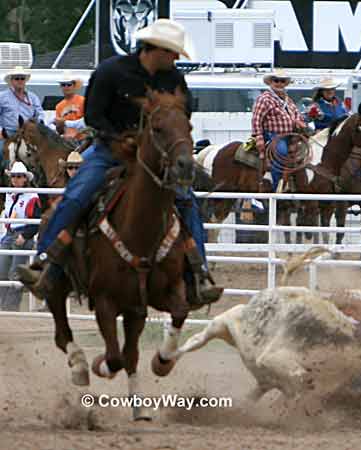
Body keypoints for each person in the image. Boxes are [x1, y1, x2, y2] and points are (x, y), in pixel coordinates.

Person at [16, 19, 222, 307]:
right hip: (110, 150)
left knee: (187, 200)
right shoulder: (112, 71)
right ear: (156, 49)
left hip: (155, 154)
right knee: (77, 194)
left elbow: (181, 116)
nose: (176, 58)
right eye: (172, 52)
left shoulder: (173, 79)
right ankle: (45, 263)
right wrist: (117, 139)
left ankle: (199, 274)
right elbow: (94, 117)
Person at [251, 69, 306, 192]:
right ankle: (278, 185)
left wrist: (299, 121)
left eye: (282, 81)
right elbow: (257, 119)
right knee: (281, 152)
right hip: (273, 135)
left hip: (291, 135)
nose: (279, 83)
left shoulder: (288, 99)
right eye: (276, 80)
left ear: (285, 83)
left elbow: (297, 115)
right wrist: (258, 137)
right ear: (271, 82)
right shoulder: (264, 98)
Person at [0, 161, 41, 311]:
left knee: (14, 274)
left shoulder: (32, 196)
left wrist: (25, 236)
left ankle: (10, 307)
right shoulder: (9, 194)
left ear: (25, 179)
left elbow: (36, 222)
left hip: (22, 235)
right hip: (9, 234)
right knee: (2, 271)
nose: (16, 179)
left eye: (19, 176)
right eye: (14, 176)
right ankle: (3, 305)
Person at [0, 66, 45, 168]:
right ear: (11, 81)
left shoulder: (32, 97)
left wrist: (39, 122)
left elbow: (40, 113)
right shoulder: (2, 97)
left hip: (29, 134)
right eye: (17, 78)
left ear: (25, 81)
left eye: (22, 78)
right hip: (8, 134)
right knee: (0, 152)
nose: (20, 81)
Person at [52, 71, 86, 140]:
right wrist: (58, 125)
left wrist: (64, 122)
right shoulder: (59, 106)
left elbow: (87, 122)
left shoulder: (83, 101)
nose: (66, 87)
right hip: (66, 141)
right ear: (60, 87)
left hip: (82, 139)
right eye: (63, 85)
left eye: (69, 84)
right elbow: (60, 131)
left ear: (74, 86)